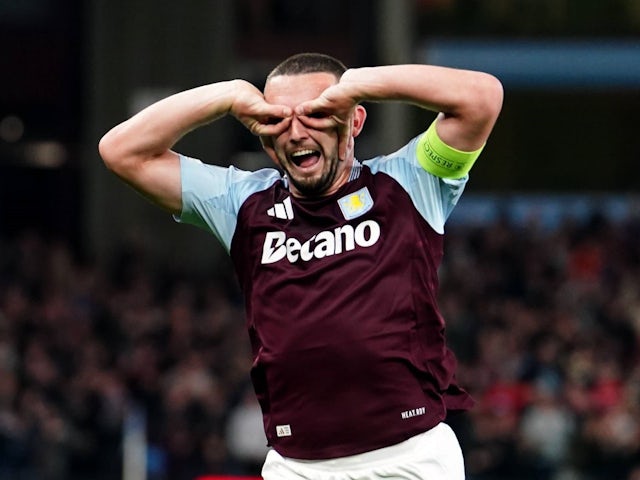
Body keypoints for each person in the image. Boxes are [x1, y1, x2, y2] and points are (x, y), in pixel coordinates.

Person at [99, 52, 503, 480]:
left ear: (355, 120)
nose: (295, 133)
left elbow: (481, 97)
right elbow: (122, 152)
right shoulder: (242, 203)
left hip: (410, 458)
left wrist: (359, 83)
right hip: (296, 467)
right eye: (277, 120)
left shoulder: (410, 182)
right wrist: (228, 95)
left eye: (317, 114)